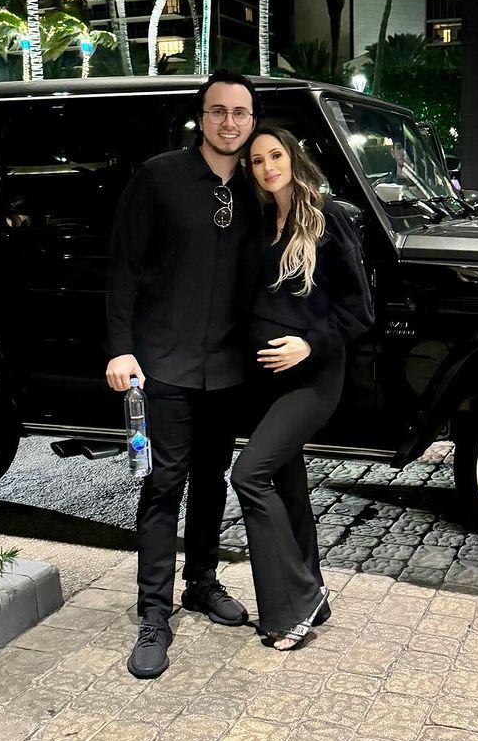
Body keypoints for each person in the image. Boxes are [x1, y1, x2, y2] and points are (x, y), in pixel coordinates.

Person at [105, 71, 261, 679]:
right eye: (218, 111)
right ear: (202, 117)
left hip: (227, 367)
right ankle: (153, 612)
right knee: (163, 483)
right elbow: (122, 269)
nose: (229, 122)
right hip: (162, 363)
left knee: (212, 478)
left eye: (240, 113)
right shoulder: (159, 177)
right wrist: (121, 350)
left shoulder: (258, 186)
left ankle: (201, 581)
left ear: (252, 120)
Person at [232, 128, 373, 650]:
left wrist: (308, 345)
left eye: (276, 155)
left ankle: (291, 606)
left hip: (312, 378)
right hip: (265, 382)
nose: (268, 167)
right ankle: (313, 596)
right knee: (287, 487)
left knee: (249, 475)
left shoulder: (326, 217)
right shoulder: (258, 220)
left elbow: (359, 310)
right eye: (257, 160)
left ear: (293, 158)